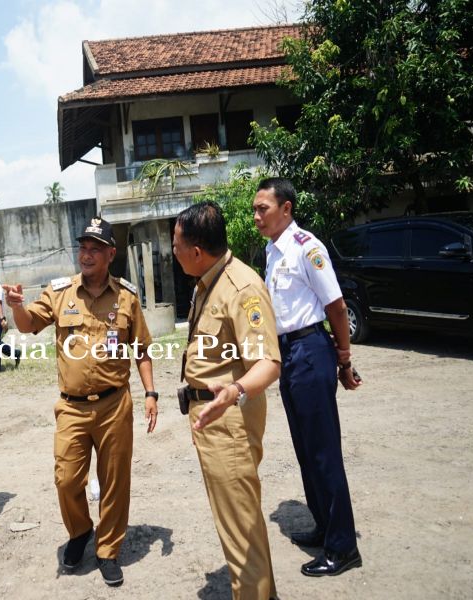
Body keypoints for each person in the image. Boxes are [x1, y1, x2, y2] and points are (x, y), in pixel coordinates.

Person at [3, 217, 158, 587]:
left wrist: (151, 393)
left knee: (115, 480)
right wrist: (17, 306)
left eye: (94, 249)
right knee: (66, 479)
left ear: (110, 254)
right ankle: (79, 531)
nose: (86, 255)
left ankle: (108, 549)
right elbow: (27, 325)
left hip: (114, 404)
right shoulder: (59, 293)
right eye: (82, 248)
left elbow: (142, 351)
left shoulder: (126, 298)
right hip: (72, 407)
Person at [253, 177, 362, 577]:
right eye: (255, 209)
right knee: (305, 449)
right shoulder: (272, 250)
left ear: (286, 209)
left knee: (323, 452)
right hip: (289, 354)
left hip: (311, 349)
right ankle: (325, 526)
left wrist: (344, 358)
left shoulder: (306, 249)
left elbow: (335, 305)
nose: (256, 216)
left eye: (263, 208)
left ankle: (343, 547)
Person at [172, 201, 281, 600]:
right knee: (241, 521)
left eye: (176, 245)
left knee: (240, 529)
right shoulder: (209, 282)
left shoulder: (241, 287)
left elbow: (268, 364)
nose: (174, 252)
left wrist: (233, 392)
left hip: (228, 420)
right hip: (213, 417)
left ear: (197, 252)